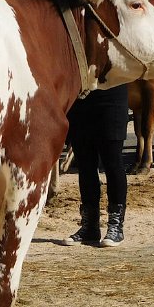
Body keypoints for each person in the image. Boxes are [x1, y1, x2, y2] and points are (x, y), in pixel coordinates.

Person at [58, 85, 129, 247]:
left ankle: (116, 226)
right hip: (80, 98)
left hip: (112, 96)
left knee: (112, 162)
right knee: (84, 165)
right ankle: (90, 226)